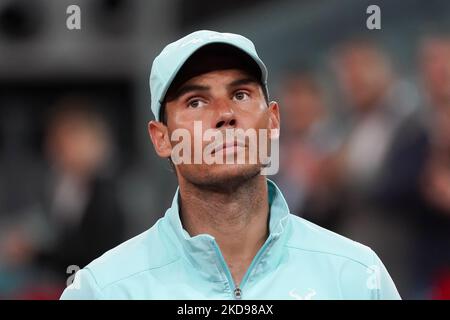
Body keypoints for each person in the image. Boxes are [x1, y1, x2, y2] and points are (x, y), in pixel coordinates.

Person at [61, 30, 400, 299]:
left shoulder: (355, 275)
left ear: (273, 121)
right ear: (161, 138)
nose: (224, 115)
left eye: (240, 95)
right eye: (196, 101)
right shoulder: (104, 289)